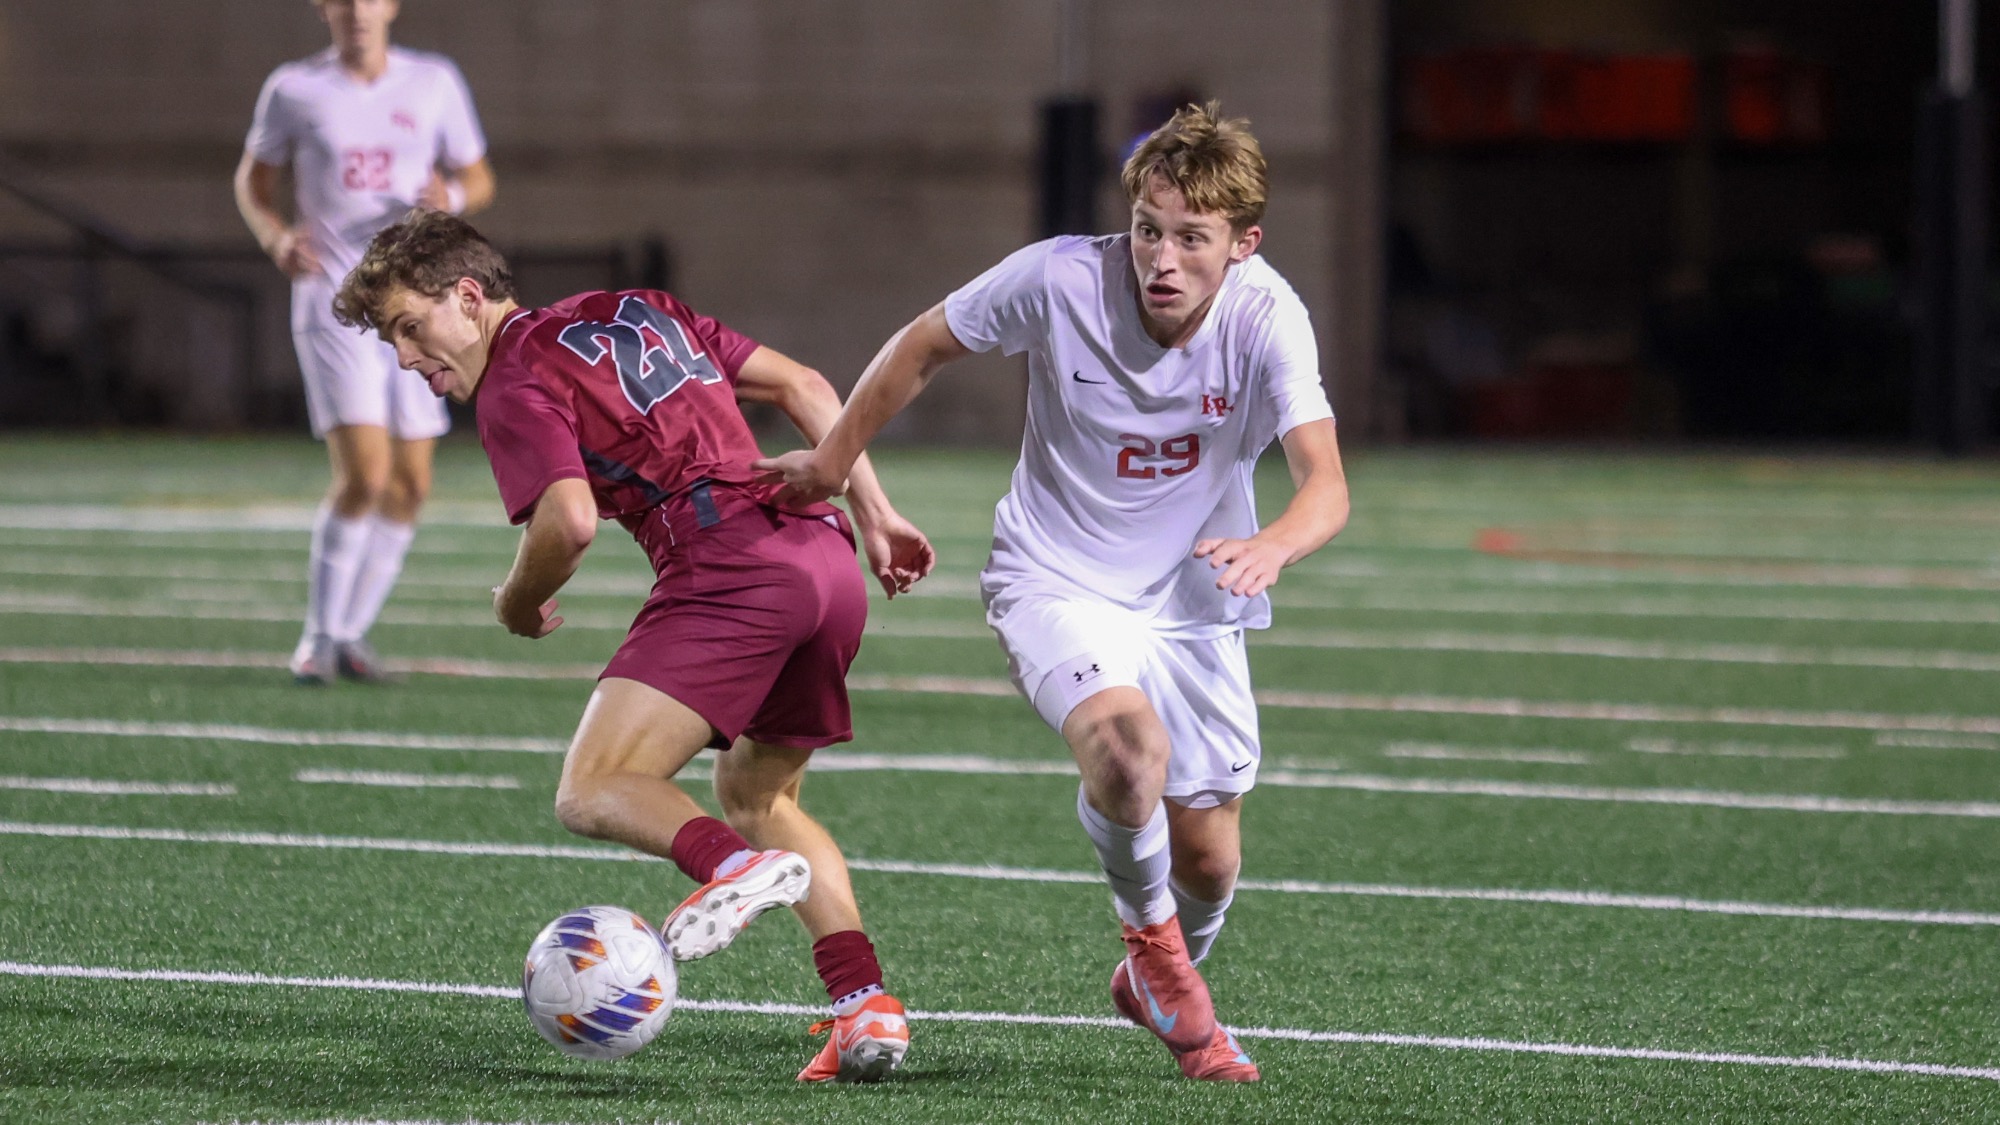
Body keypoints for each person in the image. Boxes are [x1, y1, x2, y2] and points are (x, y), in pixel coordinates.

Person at [756, 103, 1350, 1083]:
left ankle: (1157, 968)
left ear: (1242, 245)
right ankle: (1155, 955)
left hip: (1193, 600)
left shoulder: (1265, 314)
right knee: (1126, 751)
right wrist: (833, 464)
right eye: (1148, 230)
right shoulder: (1060, 277)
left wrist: (1274, 545)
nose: (1160, 258)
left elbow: (1322, 481)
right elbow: (919, 346)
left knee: (1207, 862)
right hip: (1054, 577)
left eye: (1191, 239)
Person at [332, 210, 936, 1082]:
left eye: (408, 327)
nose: (404, 357)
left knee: (591, 787)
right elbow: (805, 386)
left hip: (728, 566)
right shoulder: (639, 307)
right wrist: (876, 515)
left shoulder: (511, 374)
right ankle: (865, 1006)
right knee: (761, 794)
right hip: (825, 556)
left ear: (469, 297)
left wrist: (515, 601)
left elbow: (568, 520)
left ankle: (733, 867)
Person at [234, 0, 497, 684]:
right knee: (365, 476)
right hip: (333, 300)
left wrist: (454, 200)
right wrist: (275, 237)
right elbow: (253, 181)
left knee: (410, 484)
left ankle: (349, 635)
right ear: (323, 8)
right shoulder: (294, 87)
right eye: (342, 0)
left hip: (418, 301)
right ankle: (316, 640)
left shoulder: (434, 80)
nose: (357, 11)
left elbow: (477, 175)